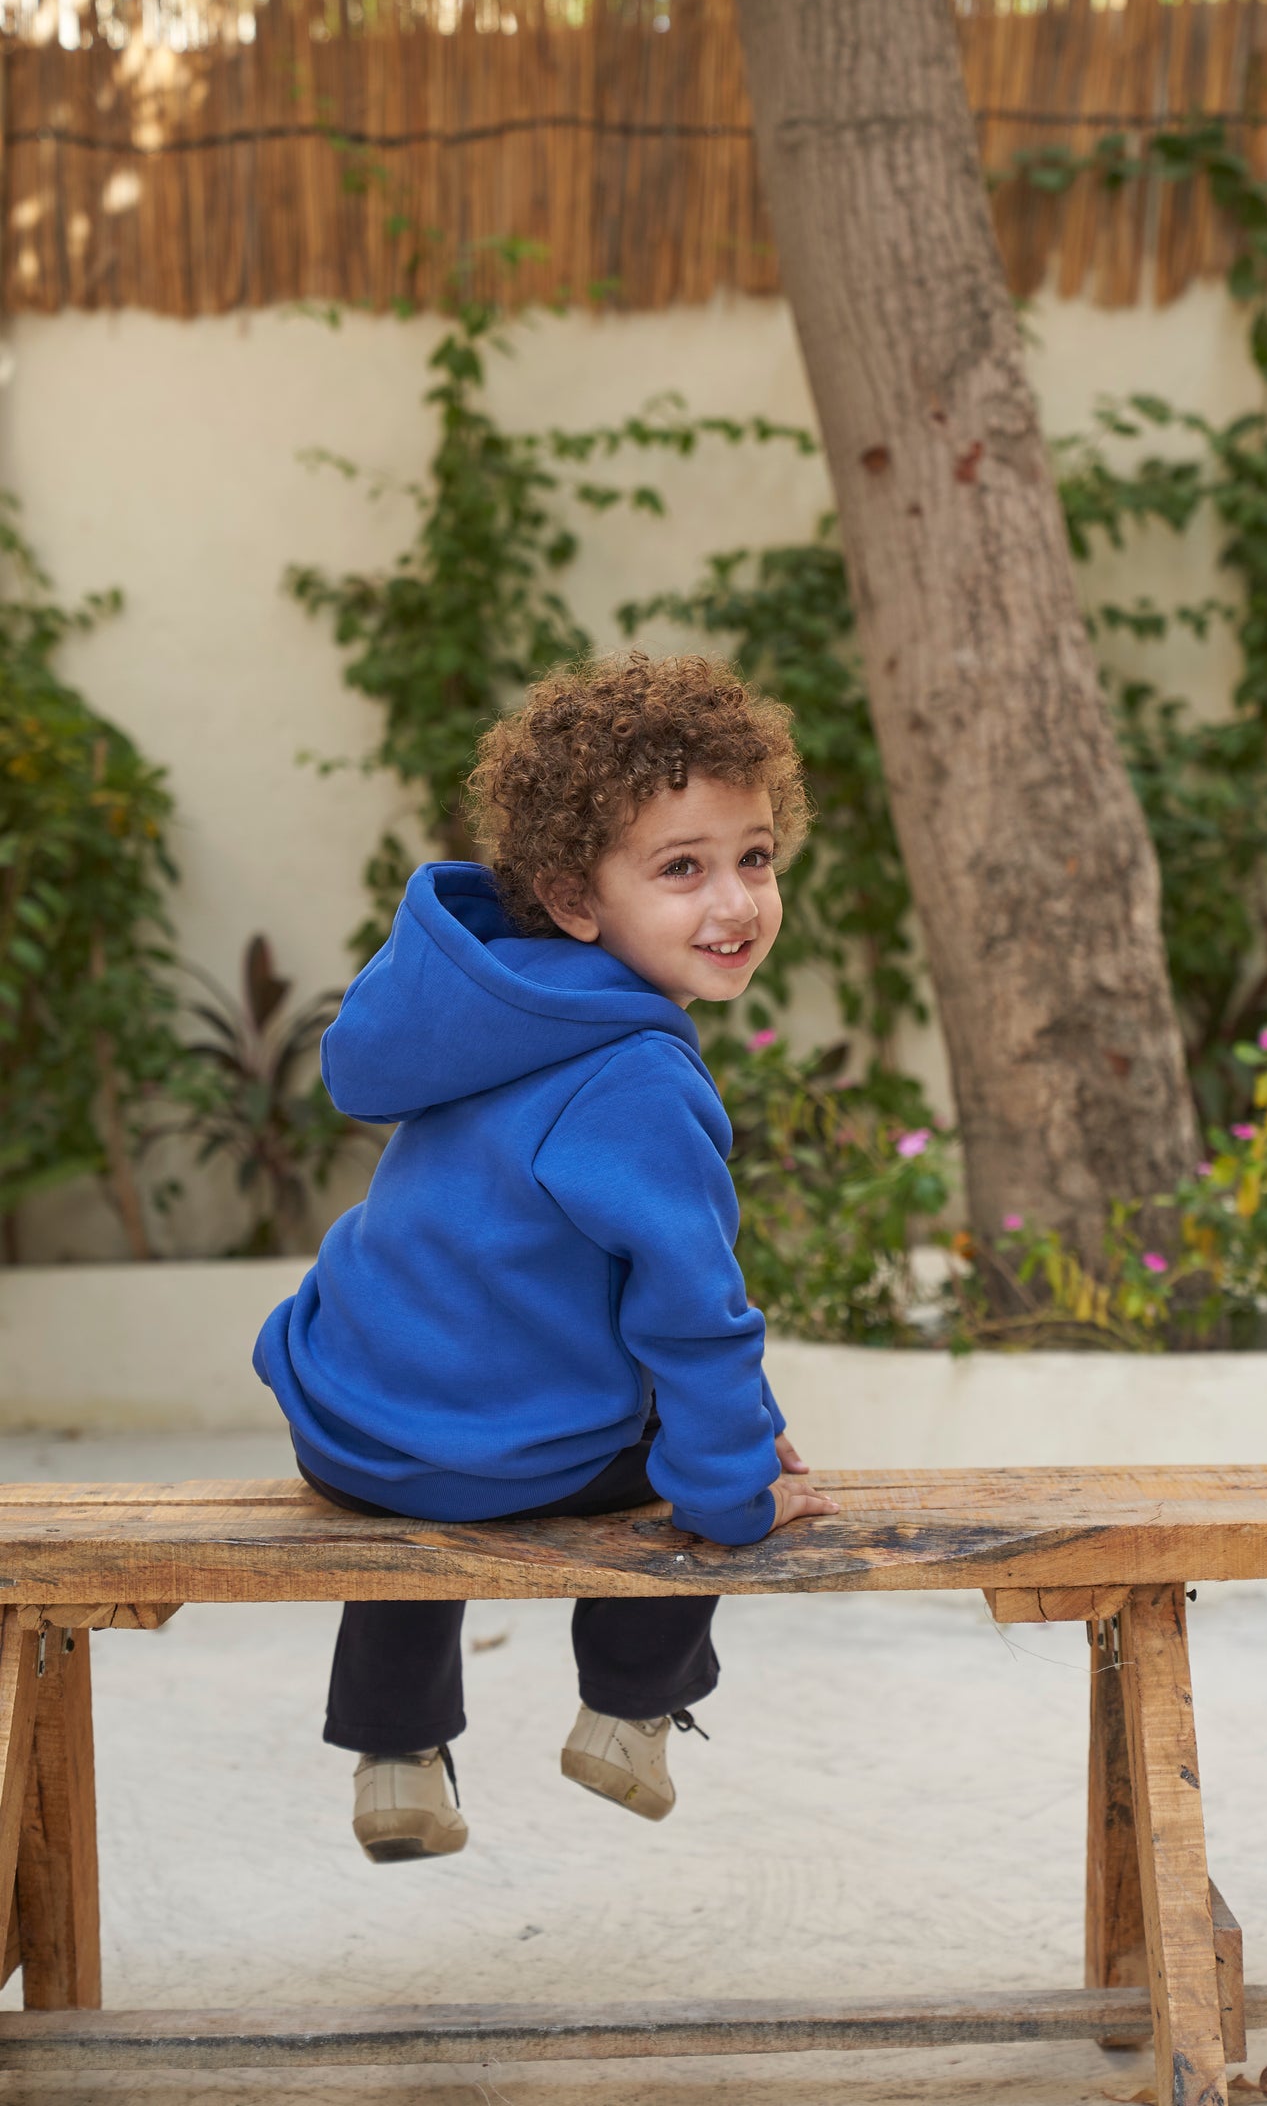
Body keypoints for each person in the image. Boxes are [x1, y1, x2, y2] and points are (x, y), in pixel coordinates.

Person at [254, 650, 839, 1863]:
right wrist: (737, 1490)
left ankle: (395, 1753)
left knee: (424, 1419)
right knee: (697, 1442)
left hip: (344, 1428)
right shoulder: (635, 1070)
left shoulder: (476, 1005)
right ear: (577, 896)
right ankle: (629, 1710)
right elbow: (692, 1317)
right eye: (680, 868)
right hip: (502, 1452)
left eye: (754, 856)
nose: (733, 902)